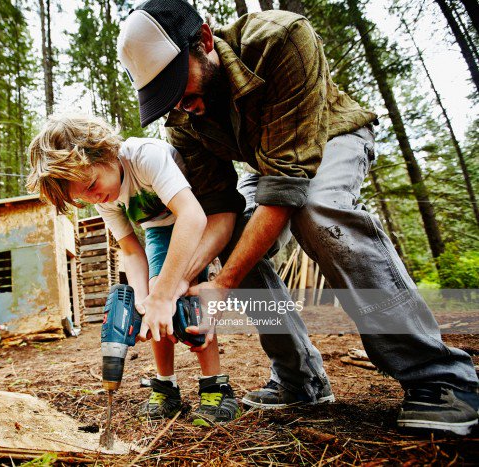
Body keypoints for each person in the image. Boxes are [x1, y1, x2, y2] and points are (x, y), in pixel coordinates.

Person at [116, 0, 479, 435]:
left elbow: (289, 184)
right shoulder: (181, 119)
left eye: (179, 83)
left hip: (332, 134)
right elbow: (220, 211)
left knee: (319, 212)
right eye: (164, 95)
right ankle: (299, 377)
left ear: (206, 41)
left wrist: (226, 283)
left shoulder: (279, 39)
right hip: (268, 164)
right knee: (239, 239)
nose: (179, 103)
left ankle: (442, 379)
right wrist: (174, 286)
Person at [26, 114, 240, 425]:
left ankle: (215, 385)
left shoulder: (144, 157)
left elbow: (192, 217)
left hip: (193, 214)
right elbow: (129, 249)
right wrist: (145, 301)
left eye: (91, 185)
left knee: (190, 298)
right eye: (81, 198)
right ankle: (166, 386)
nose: (92, 198)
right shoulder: (101, 198)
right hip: (157, 229)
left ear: (105, 152)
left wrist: (166, 292)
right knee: (154, 299)